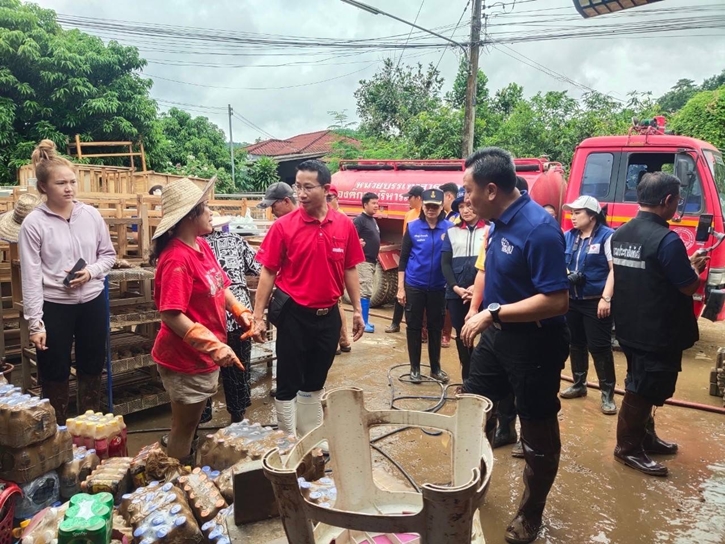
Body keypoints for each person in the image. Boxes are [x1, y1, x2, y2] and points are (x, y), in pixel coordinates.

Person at [460, 147, 569, 544]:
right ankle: (471, 483)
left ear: (491, 190)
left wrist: (493, 313)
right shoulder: (498, 223)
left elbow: (557, 300)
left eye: (469, 190)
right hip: (496, 335)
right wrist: (480, 310)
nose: (465, 198)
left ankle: (531, 512)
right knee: (472, 410)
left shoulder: (539, 230)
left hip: (536, 343)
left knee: (537, 428)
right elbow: (490, 271)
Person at [252, 160, 365, 440]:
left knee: (316, 381)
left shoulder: (343, 226)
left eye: (307, 187)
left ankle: (310, 438)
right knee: (288, 381)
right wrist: (257, 317)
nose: (300, 194)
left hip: (327, 316)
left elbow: (350, 269)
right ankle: (288, 441)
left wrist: (357, 312)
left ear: (326, 189)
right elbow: (268, 271)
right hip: (293, 314)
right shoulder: (283, 227)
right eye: (297, 187)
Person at [150, 176, 253, 462]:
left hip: (202, 356)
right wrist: (213, 345)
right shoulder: (176, 259)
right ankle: (176, 479)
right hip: (184, 358)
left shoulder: (200, 245)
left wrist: (241, 311)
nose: (211, 213)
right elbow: (170, 314)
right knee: (184, 427)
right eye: (205, 207)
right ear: (190, 216)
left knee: (190, 423)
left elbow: (221, 286)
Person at [611, 172, 707, 477]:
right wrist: (695, 269)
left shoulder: (620, 234)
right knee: (643, 388)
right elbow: (687, 287)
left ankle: (645, 437)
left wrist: (685, 264)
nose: (678, 204)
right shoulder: (667, 240)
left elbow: (649, 277)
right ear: (667, 201)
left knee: (641, 381)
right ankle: (627, 448)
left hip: (629, 325)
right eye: (678, 200)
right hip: (656, 330)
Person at [19, 140, 117, 425]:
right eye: (60, 183)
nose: (69, 188)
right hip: (54, 305)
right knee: (54, 370)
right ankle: (57, 430)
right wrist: (36, 324)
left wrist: (91, 272)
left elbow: (108, 255)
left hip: (92, 302)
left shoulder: (91, 215)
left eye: (72, 182)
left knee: (92, 364)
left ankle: (91, 426)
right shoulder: (34, 224)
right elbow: (31, 277)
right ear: (43, 188)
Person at [559, 195, 617, 415]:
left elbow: (614, 270)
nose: (573, 217)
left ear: (592, 216)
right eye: (571, 213)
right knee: (576, 343)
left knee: (600, 347)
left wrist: (606, 298)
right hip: (572, 301)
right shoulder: (567, 236)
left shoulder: (607, 237)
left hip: (595, 301)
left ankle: (607, 393)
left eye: (578, 213)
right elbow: (558, 264)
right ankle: (579, 383)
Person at [204, 213, 262, 422]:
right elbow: (258, 267)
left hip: (208, 317)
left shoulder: (194, 246)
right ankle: (238, 417)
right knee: (238, 367)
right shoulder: (236, 240)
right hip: (239, 315)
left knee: (204, 369)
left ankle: (201, 418)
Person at [397, 188, 453, 384]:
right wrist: (401, 288)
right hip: (415, 285)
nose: (430, 209)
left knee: (435, 327)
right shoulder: (412, 228)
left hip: (438, 286)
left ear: (440, 208)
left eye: (434, 206)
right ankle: (415, 369)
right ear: (423, 206)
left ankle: (435, 368)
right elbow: (403, 260)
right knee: (413, 326)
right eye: (428, 205)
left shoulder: (449, 229)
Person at [441, 191, 487, 381]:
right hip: (456, 294)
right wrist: (455, 287)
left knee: (487, 338)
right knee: (462, 336)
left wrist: (477, 290)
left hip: (483, 293)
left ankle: (483, 379)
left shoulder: (489, 230)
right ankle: (467, 379)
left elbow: (490, 265)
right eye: (461, 206)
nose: (466, 210)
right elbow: (445, 263)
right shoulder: (451, 231)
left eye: (469, 205)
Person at [386, 185, 424, 334]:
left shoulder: (427, 213)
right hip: (409, 256)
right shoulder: (408, 215)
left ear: (418, 198)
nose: (407, 200)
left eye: (410, 197)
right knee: (401, 289)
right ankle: (395, 323)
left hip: (420, 259)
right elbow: (405, 237)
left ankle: (420, 328)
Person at [327, 185, 352, 353]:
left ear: (337, 199)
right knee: (338, 304)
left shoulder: (341, 220)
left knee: (335, 305)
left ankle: (337, 341)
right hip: (334, 269)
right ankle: (343, 340)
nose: (327, 202)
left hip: (336, 271)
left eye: (330, 198)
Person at [353, 192, 380, 334]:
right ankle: (363, 322)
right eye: (373, 203)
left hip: (371, 261)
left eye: (377, 203)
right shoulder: (360, 220)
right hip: (363, 261)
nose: (377, 206)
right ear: (365, 204)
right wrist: (357, 244)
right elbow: (350, 238)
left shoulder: (372, 220)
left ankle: (366, 319)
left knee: (367, 291)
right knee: (365, 290)